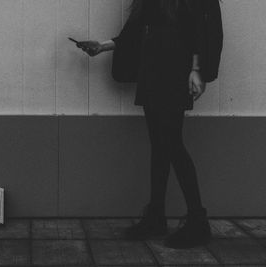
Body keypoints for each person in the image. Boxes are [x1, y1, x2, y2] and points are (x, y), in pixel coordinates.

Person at [76, 0, 215, 249]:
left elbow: (198, 29)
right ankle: (156, 216)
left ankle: (198, 221)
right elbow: (136, 30)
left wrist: (196, 69)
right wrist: (103, 46)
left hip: (175, 70)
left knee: (172, 144)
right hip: (152, 70)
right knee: (160, 146)